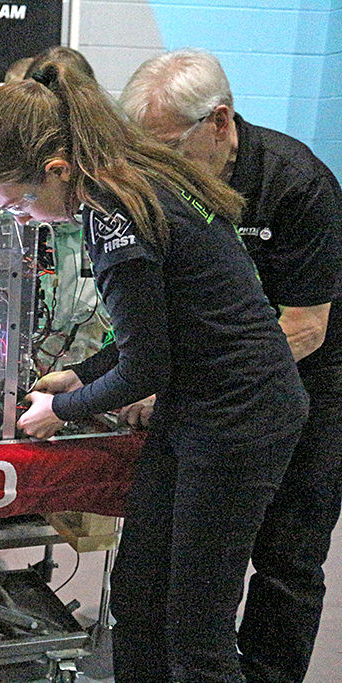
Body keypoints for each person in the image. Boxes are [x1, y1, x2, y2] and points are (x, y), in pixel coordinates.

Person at [0, 62, 308, 682]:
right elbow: (159, 328)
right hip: (197, 403)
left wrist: (58, 411)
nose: (25, 219)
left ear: (57, 170)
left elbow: (146, 364)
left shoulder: (113, 213)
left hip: (240, 416)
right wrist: (79, 374)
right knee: (140, 597)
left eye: (19, 204)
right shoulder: (129, 178)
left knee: (195, 629)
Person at [121, 48, 342, 682]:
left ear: (220, 121)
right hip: (218, 387)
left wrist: (176, 379)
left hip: (308, 376)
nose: (157, 166)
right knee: (176, 563)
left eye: (168, 148)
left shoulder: (298, 183)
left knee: (288, 557)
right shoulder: (174, 184)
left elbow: (304, 327)